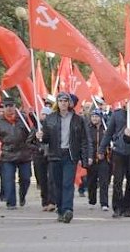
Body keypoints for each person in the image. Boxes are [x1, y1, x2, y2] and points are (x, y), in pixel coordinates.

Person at [35, 92, 89, 223]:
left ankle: (67, 209)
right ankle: (60, 210)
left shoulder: (78, 119)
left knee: (67, 184)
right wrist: (40, 136)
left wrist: (85, 157)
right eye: (61, 101)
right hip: (55, 155)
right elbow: (45, 139)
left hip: (70, 155)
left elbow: (84, 140)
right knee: (57, 185)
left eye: (66, 101)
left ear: (69, 103)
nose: (63, 103)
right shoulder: (50, 119)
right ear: (57, 103)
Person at [98, 99, 130, 218]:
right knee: (118, 181)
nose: (129, 105)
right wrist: (101, 149)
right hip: (118, 151)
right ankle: (117, 207)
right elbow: (108, 133)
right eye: (127, 102)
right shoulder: (117, 114)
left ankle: (128, 208)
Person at [0, 98, 34, 209]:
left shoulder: (23, 119)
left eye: (11, 105)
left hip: (24, 154)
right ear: (3, 108)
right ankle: (11, 202)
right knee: (8, 179)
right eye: (6, 106)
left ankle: (22, 195)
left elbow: (32, 133)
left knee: (26, 178)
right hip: (7, 154)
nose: (9, 108)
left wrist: (30, 142)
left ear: (15, 106)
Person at [86, 109, 110, 211]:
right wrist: (88, 156)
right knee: (91, 181)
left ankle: (104, 203)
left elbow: (109, 142)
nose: (94, 118)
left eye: (96, 116)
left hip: (104, 159)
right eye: (93, 116)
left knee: (104, 181)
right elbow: (86, 144)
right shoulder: (88, 129)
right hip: (91, 159)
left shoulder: (106, 128)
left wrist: (104, 152)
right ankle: (92, 201)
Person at [32, 106, 56, 211]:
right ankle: (44, 202)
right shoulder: (35, 128)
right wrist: (37, 148)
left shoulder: (54, 127)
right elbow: (29, 142)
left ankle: (52, 201)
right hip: (39, 157)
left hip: (51, 156)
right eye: (43, 114)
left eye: (47, 114)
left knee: (52, 179)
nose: (45, 116)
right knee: (42, 180)